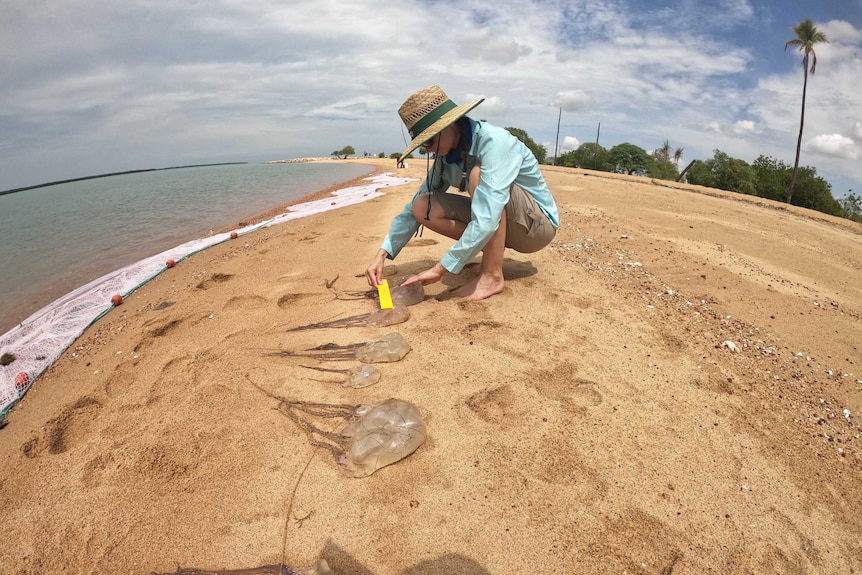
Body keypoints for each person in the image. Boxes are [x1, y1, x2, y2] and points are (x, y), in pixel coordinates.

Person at [365, 85, 559, 301]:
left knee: (478, 175)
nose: (427, 149)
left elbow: (488, 214)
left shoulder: (494, 142)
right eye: (422, 145)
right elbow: (412, 210)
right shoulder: (445, 158)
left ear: (450, 125)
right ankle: (491, 257)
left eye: (428, 141)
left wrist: (441, 268)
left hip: (536, 228)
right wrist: (382, 254)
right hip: (502, 221)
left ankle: (492, 276)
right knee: (422, 205)